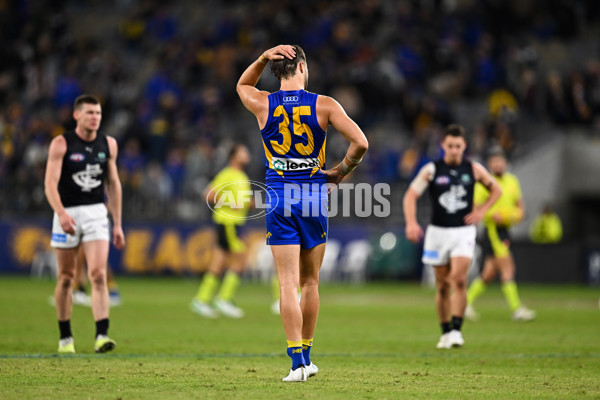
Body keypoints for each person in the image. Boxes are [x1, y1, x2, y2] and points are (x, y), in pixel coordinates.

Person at [237, 45, 368, 381]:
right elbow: (361, 143)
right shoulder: (324, 104)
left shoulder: (263, 103)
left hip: (279, 196)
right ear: (303, 67)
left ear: (277, 70)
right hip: (311, 195)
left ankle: (296, 363)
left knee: (286, 284)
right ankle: (307, 356)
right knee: (310, 281)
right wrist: (340, 171)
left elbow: (241, 85)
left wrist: (263, 58)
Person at [403, 124, 501, 349]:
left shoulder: (474, 169)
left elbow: (496, 190)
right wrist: (411, 223)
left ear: (464, 146)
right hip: (437, 232)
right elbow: (410, 195)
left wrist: (481, 211)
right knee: (442, 285)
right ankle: (445, 331)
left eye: (458, 146)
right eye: (450, 146)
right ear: (443, 146)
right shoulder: (432, 170)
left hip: (463, 231)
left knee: (458, 279)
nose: (454, 150)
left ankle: (457, 329)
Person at [44, 94, 125, 354]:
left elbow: (113, 184)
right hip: (66, 211)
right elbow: (49, 184)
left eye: (98, 113)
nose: (95, 117)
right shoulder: (61, 143)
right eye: (89, 112)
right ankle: (65, 338)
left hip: (96, 213)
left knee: (98, 274)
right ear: (76, 115)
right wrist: (61, 214)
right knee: (67, 278)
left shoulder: (108, 144)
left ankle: (102, 335)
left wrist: (117, 224)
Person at [465, 149, 536, 322]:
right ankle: (516, 308)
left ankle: (464, 304)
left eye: (500, 161)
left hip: (505, 229)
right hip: (492, 230)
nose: (497, 165)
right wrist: (491, 215)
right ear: (489, 165)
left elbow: (520, 209)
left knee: (488, 274)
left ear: (506, 163)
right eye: (494, 162)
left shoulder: (512, 181)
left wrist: (511, 216)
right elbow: (475, 209)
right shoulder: (485, 182)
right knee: (508, 269)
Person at [190, 144, 252, 319]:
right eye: (243, 152)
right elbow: (208, 195)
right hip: (227, 222)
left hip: (234, 223)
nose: (247, 155)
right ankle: (224, 298)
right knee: (240, 258)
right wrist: (231, 202)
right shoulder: (227, 174)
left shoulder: (241, 176)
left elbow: (242, 202)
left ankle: (201, 299)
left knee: (219, 261)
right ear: (234, 156)